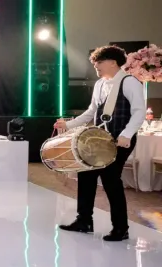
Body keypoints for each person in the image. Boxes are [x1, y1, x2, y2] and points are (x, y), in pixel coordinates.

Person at [54, 45, 145, 242]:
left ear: (113, 62)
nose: (96, 66)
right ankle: (84, 221)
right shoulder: (100, 84)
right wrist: (68, 124)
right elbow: (91, 112)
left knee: (111, 180)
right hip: (97, 139)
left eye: (99, 63)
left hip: (120, 140)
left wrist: (127, 134)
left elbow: (139, 112)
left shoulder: (130, 83)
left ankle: (121, 228)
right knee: (85, 175)